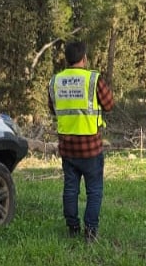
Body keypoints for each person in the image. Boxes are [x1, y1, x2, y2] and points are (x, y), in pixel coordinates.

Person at [49, 41, 115, 241]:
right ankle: (91, 231)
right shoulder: (93, 79)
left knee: (70, 189)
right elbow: (109, 104)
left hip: (67, 147)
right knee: (94, 191)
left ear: (67, 59)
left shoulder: (55, 81)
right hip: (91, 147)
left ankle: (72, 228)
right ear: (84, 59)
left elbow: (53, 109)